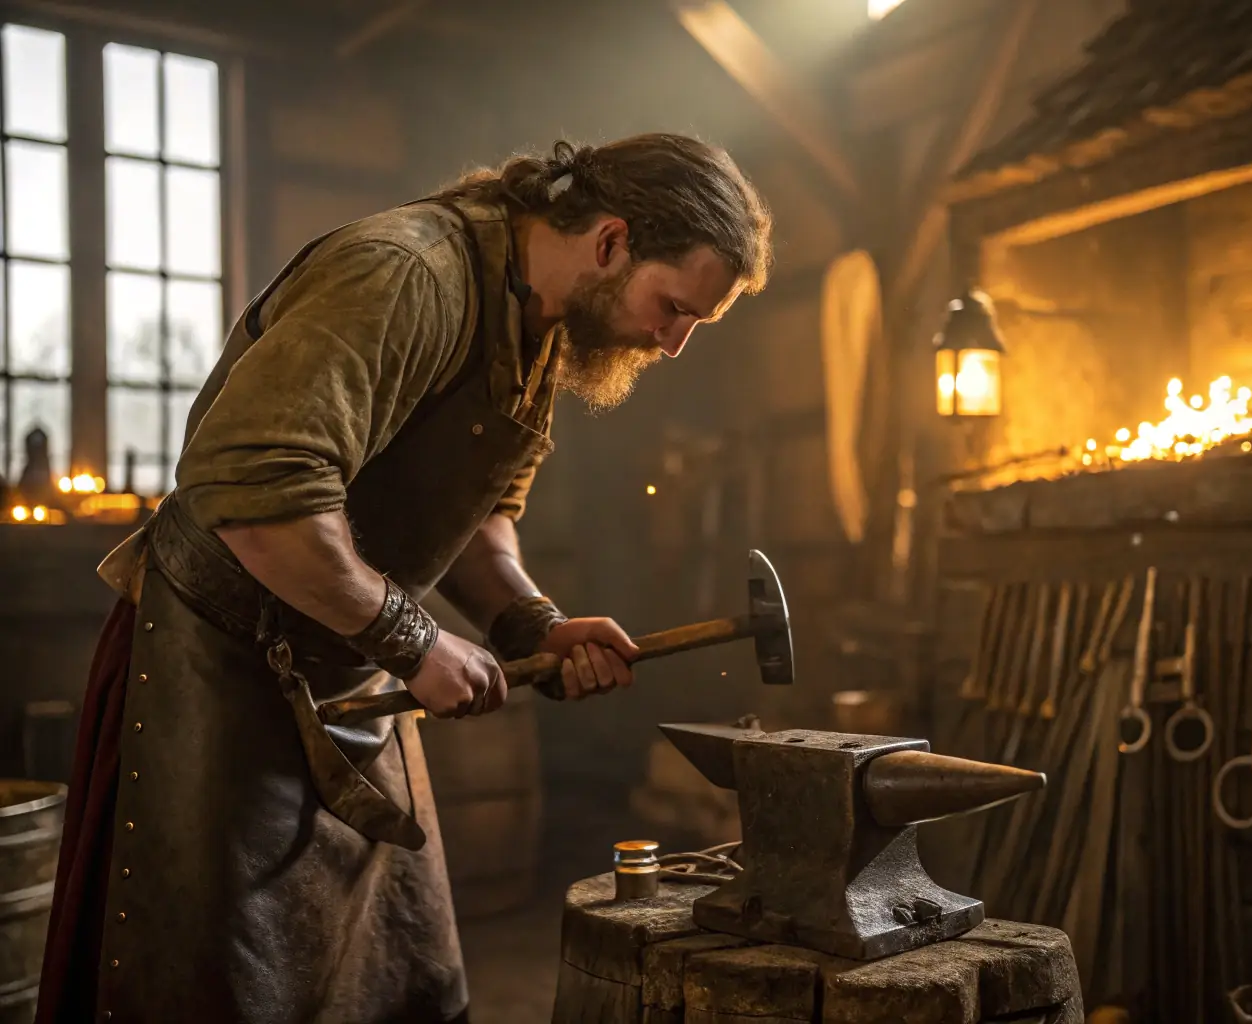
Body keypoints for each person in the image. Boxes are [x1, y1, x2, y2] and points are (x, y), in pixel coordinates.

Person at [36, 133, 772, 1024]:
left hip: (349, 668)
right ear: (611, 241)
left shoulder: (533, 326)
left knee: (396, 988)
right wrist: (411, 639)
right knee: (209, 998)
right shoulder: (406, 274)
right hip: (215, 679)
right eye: (673, 306)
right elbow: (262, 500)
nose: (674, 343)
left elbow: (476, 518)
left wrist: (533, 626)